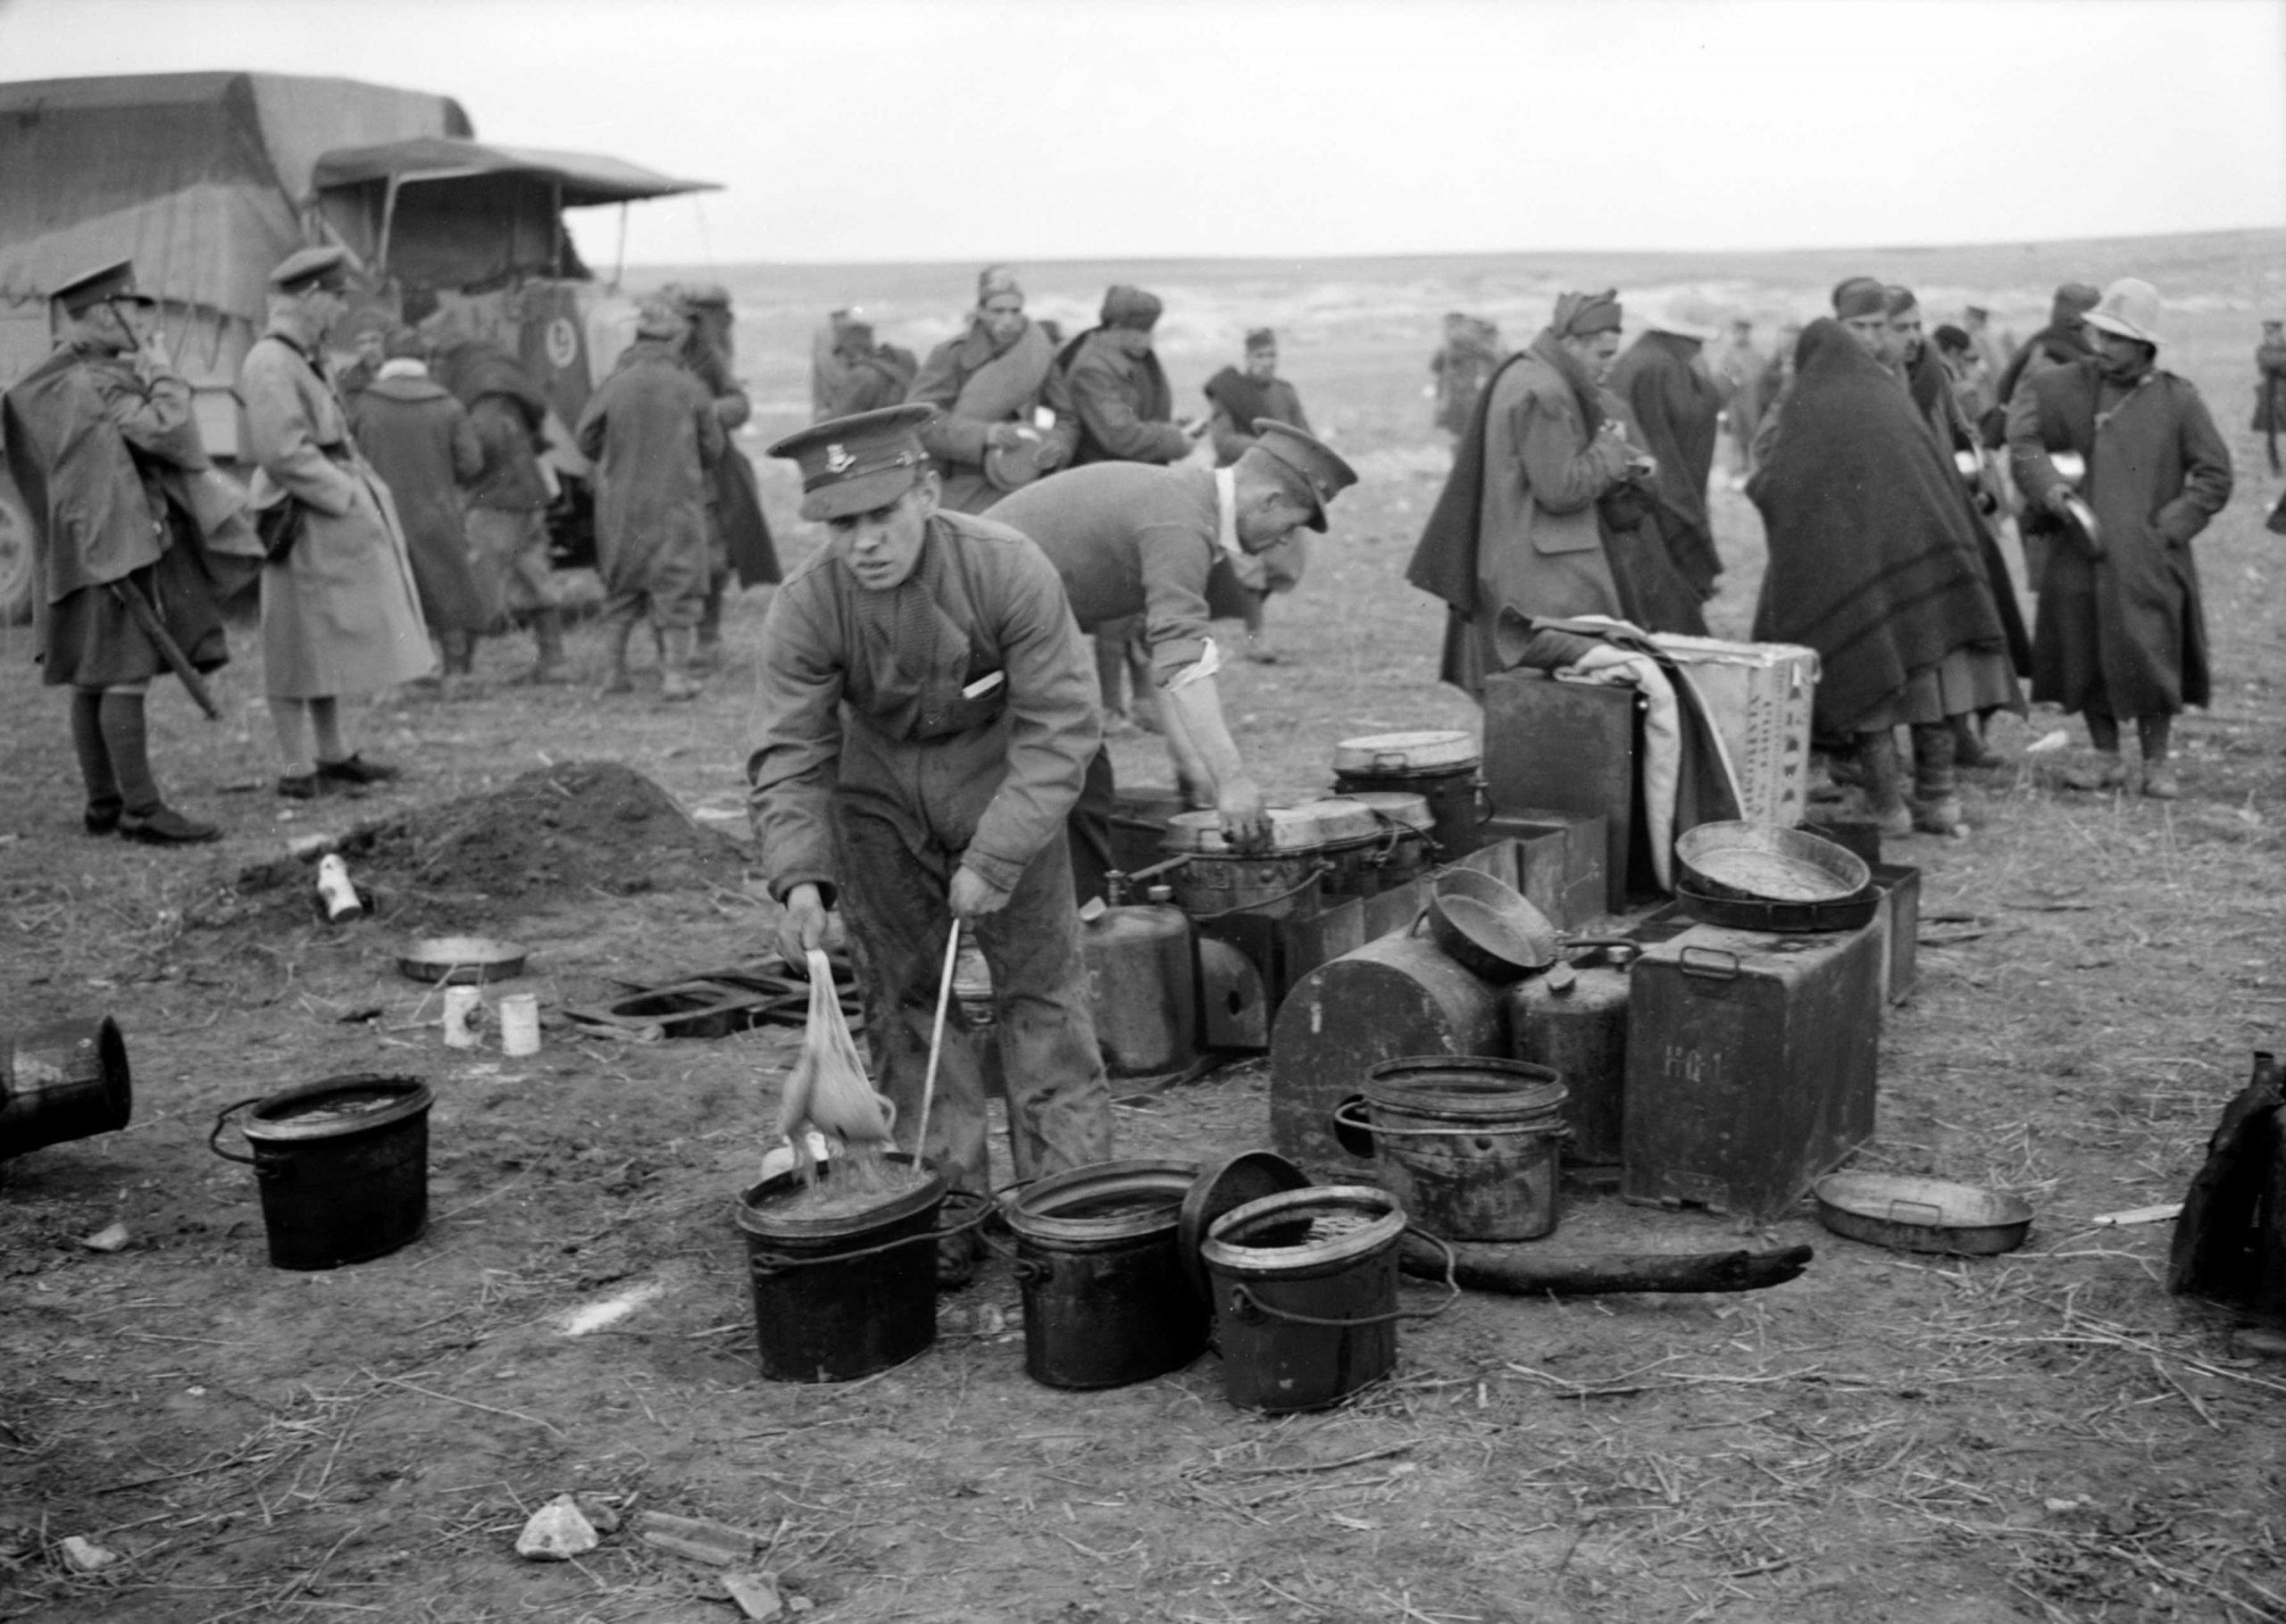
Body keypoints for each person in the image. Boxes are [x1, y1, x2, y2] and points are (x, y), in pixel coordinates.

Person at [748, 404, 1110, 1287]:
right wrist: (800, 877)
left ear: (929, 491)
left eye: (882, 515)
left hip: (1007, 791)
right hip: (876, 810)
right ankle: (941, 1208)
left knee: (1042, 1003)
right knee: (906, 1008)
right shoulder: (806, 606)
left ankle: (1070, 1211)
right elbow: (791, 751)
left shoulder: (1007, 567)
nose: (864, 542)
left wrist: (998, 856)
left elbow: (1063, 725)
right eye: (842, 524)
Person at [990, 421, 1357, 902]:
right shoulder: (1183, 522)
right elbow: (1183, 660)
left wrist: (1193, 767)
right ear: (1267, 500)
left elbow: (1162, 655)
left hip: (1007, 633)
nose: (1283, 542)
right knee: (1061, 780)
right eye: (1289, 526)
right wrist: (1232, 780)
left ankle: (1084, 923)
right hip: (968, 631)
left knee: (1084, 778)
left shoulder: (1190, 506)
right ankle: (1076, 930)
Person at [2, 260, 254, 842]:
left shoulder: (56, 376)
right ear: (98, 316)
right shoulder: (98, 381)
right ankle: (141, 809)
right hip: (116, 547)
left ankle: (104, 802)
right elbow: (173, 433)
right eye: (134, 308)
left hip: (79, 544)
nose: (143, 321)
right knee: (123, 675)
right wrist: (163, 373)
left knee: (93, 675)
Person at [1749, 318, 2023, 837]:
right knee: (1932, 691)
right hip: (1929, 567)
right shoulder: (1887, 394)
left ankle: (1887, 810)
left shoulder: (1814, 405)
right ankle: (1940, 802)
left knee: (1871, 684)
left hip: (1861, 572)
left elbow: (1774, 483)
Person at [2008, 278, 2232, 800]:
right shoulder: (2061, 386)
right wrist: (2050, 490)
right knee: (2084, 650)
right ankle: (2106, 757)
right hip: (2078, 548)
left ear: (2145, 344)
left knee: (2152, 651)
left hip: (2147, 559)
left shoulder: (2179, 401)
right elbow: (2023, 444)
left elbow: (2216, 475)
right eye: (2100, 335)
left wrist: (2168, 530)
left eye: (2117, 339)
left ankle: (2156, 764)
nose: (2103, 347)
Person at [1406, 289, 1679, 696]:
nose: (1609, 366)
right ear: (1571, 344)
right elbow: (1562, 490)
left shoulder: (1529, 374)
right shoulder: (1545, 391)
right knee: (1567, 689)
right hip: (1546, 576)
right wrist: (1611, 450)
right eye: (1603, 355)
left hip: (1519, 559)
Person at [239, 246, 430, 798]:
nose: (341, 310)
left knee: (322, 640)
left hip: (318, 513)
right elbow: (282, 452)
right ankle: (297, 768)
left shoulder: (301, 355)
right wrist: (345, 494)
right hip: (299, 515)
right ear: (308, 297)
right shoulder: (272, 360)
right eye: (335, 298)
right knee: (293, 641)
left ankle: (332, 753)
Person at [1888, 285, 2032, 771]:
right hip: (1893, 524)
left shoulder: (1933, 373)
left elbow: (1961, 436)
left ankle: (1961, 733)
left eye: (1915, 325)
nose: (1911, 336)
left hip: (1949, 514)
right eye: (1899, 327)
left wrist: (1978, 486)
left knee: (1962, 630)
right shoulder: (1866, 379)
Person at [1055, 285, 1203, 729]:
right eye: (1139, 331)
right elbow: (1119, 435)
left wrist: (1166, 431)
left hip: (1130, 481)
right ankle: (1111, 706)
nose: (1148, 340)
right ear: (1114, 327)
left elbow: (1131, 423)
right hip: (1101, 491)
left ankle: (1138, 701)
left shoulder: (1121, 360)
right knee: (1115, 606)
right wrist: (1175, 439)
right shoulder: (1092, 369)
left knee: (1138, 600)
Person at [574, 297, 725, 700]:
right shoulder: (689, 386)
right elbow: (714, 448)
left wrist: (616, 457)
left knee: (622, 587)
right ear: (674, 341)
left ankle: (613, 675)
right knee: (677, 589)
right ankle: (675, 676)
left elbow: (585, 439)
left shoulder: (615, 384)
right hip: (677, 503)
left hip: (621, 504)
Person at [426, 311, 571, 684]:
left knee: (475, 579)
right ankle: (553, 660)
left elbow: (484, 440)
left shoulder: (480, 382)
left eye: (433, 356)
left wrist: (459, 472)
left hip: (497, 496)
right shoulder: (497, 371)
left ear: (447, 352)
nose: (431, 364)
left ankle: (461, 670)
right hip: (527, 489)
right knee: (532, 572)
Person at [346, 329, 491, 687]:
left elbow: (349, 461)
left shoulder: (364, 405)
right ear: (423, 363)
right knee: (449, 589)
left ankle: (407, 674)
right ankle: (457, 669)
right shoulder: (448, 405)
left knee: (394, 594)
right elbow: (471, 464)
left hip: (381, 516)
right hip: (437, 513)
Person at [906, 263, 1076, 515]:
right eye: (998, 311)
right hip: (959, 487)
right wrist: (985, 434)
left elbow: (1068, 419)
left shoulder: (1038, 353)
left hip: (1021, 479)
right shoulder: (951, 355)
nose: (1008, 321)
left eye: (1015, 311)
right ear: (981, 311)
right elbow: (919, 421)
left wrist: (1057, 447)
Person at [671, 282, 780, 668]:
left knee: (713, 560)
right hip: (661, 474)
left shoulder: (706, 358)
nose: (682, 327)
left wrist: (707, 413)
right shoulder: (637, 360)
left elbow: (739, 404)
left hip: (707, 470)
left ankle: (708, 637)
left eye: (690, 320)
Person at [1604, 298, 1727, 622]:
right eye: (1696, 341)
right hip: (1656, 494)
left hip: (1632, 490)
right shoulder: (1661, 367)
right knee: (1666, 597)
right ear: (1681, 336)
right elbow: (1682, 423)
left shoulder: (1641, 358)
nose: (1699, 349)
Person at [1202, 327, 1314, 661]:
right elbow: (1222, 441)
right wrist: (1265, 446)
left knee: (1283, 565)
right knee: (1247, 566)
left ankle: (1253, 628)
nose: (1267, 363)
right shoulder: (1228, 392)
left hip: (1279, 488)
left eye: (1272, 356)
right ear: (1247, 358)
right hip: (1240, 485)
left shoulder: (1285, 393)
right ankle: (1255, 637)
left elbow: (1304, 434)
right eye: (1260, 356)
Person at [813, 316, 916, 421]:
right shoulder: (897, 368)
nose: (838, 359)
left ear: (848, 351)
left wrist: (822, 415)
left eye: (839, 352)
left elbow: (838, 421)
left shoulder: (861, 376)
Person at [1709, 316, 1766, 486]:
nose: (1740, 336)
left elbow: (1761, 379)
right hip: (1734, 403)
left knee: (1754, 437)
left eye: (1744, 332)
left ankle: (1753, 472)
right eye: (1737, 332)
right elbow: (1723, 376)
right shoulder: (1728, 355)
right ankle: (1736, 472)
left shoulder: (1756, 355)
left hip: (1753, 404)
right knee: (1736, 437)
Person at [1431, 313, 1506, 439]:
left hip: (1456, 397)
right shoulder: (1485, 347)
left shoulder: (1448, 347)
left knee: (1459, 436)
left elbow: (1434, 367)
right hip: (1481, 396)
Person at [2252, 318, 2286, 476]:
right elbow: (2266, 363)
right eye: (2267, 332)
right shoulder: (2262, 350)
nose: (2268, 335)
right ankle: (2276, 467)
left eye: (2271, 332)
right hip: (2269, 396)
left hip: (2282, 395)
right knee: (2271, 435)